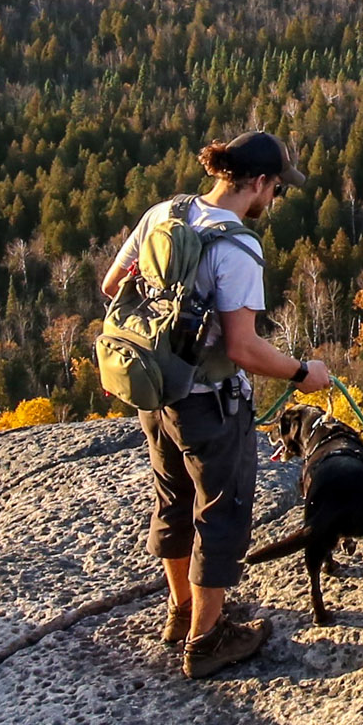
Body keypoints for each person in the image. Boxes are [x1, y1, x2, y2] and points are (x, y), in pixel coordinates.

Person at [99, 130, 329, 678]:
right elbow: (242, 347)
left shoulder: (163, 214)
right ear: (258, 182)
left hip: (156, 394)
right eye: (275, 190)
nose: (274, 201)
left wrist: (168, 316)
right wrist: (303, 373)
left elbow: (112, 286)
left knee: (173, 500)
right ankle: (207, 639)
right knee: (220, 514)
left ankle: (181, 610)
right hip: (210, 405)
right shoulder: (239, 247)